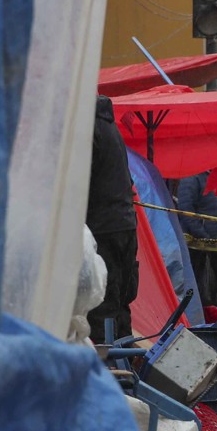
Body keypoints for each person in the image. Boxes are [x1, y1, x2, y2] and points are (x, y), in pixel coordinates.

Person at [85, 95, 139, 343]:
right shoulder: (109, 126)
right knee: (120, 302)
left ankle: (106, 369)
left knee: (101, 303)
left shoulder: (89, 128)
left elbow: (80, 181)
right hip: (125, 224)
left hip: (103, 228)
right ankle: (124, 368)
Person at [176, 169, 217, 307]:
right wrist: (203, 236)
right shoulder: (192, 177)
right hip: (199, 248)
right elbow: (186, 210)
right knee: (202, 292)